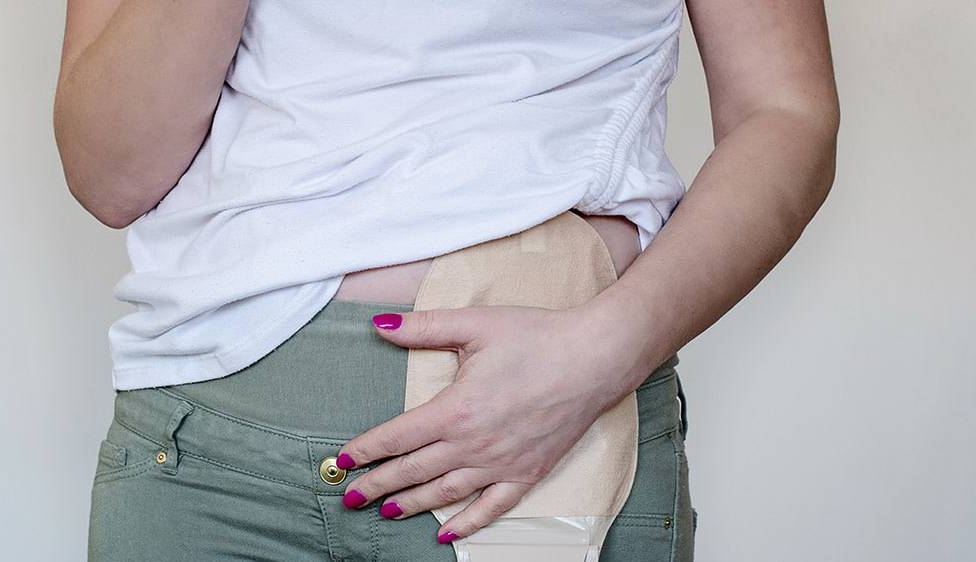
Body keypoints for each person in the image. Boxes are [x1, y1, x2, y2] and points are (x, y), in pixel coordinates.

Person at [53, 1, 839, 561]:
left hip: (543, 442)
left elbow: (784, 111)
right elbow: (111, 176)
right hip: (205, 455)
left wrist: (604, 352)